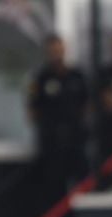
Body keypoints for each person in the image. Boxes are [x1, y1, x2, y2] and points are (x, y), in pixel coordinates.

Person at [27, 34, 91, 185]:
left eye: (59, 50)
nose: (56, 54)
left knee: (82, 180)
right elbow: (32, 109)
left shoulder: (77, 76)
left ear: (64, 50)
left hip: (75, 139)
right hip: (51, 143)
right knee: (52, 184)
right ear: (47, 53)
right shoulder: (40, 78)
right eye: (52, 51)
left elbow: (87, 104)